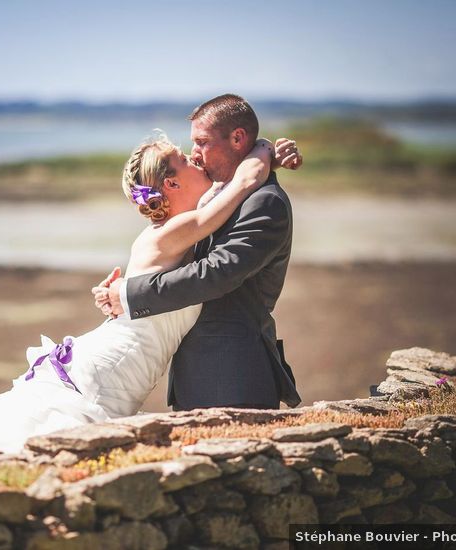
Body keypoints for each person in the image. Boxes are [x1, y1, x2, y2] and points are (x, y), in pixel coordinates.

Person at [0, 126, 301, 453]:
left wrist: (264, 149)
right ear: (171, 183)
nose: (196, 159)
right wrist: (263, 150)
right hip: (111, 371)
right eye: (186, 158)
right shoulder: (176, 229)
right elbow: (242, 183)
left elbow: (229, 190)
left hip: (127, 369)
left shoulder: (182, 224)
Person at [93, 94, 302, 411]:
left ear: (236, 138)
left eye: (201, 142)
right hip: (196, 375)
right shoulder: (210, 201)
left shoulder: (264, 202)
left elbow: (217, 274)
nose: (195, 154)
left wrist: (129, 295)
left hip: (232, 374)